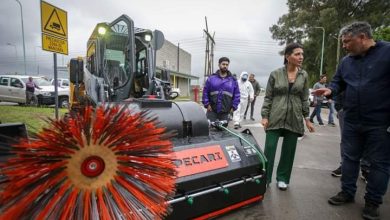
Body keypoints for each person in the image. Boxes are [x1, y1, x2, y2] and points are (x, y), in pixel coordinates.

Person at [313, 21, 390, 220]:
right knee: (349, 158)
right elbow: (337, 82)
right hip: (352, 120)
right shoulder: (346, 61)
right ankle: (347, 192)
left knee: (379, 164)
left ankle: (372, 202)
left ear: (363, 37)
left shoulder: (387, 53)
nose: (345, 46)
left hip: (380, 123)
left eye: (348, 42)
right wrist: (330, 90)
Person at [261, 43, 315, 190]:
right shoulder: (275, 74)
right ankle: (265, 179)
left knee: (289, 150)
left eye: (302, 54)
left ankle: (283, 178)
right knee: (270, 148)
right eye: (297, 54)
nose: (301, 57)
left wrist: (307, 119)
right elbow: (268, 97)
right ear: (287, 56)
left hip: (294, 117)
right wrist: (265, 116)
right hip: (275, 116)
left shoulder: (304, 75)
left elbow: (304, 99)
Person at [202, 57, 240, 124]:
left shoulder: (233, 80)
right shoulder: (211, 78)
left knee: (223, 131)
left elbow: (237, 95)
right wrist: (207, 104)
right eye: (223, 64)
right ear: (219, 65)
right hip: (212, 111)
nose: (225, 66)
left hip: (226, 112)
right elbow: (205, 92)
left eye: (227, 64)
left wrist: (233, 107)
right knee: (209, 130)